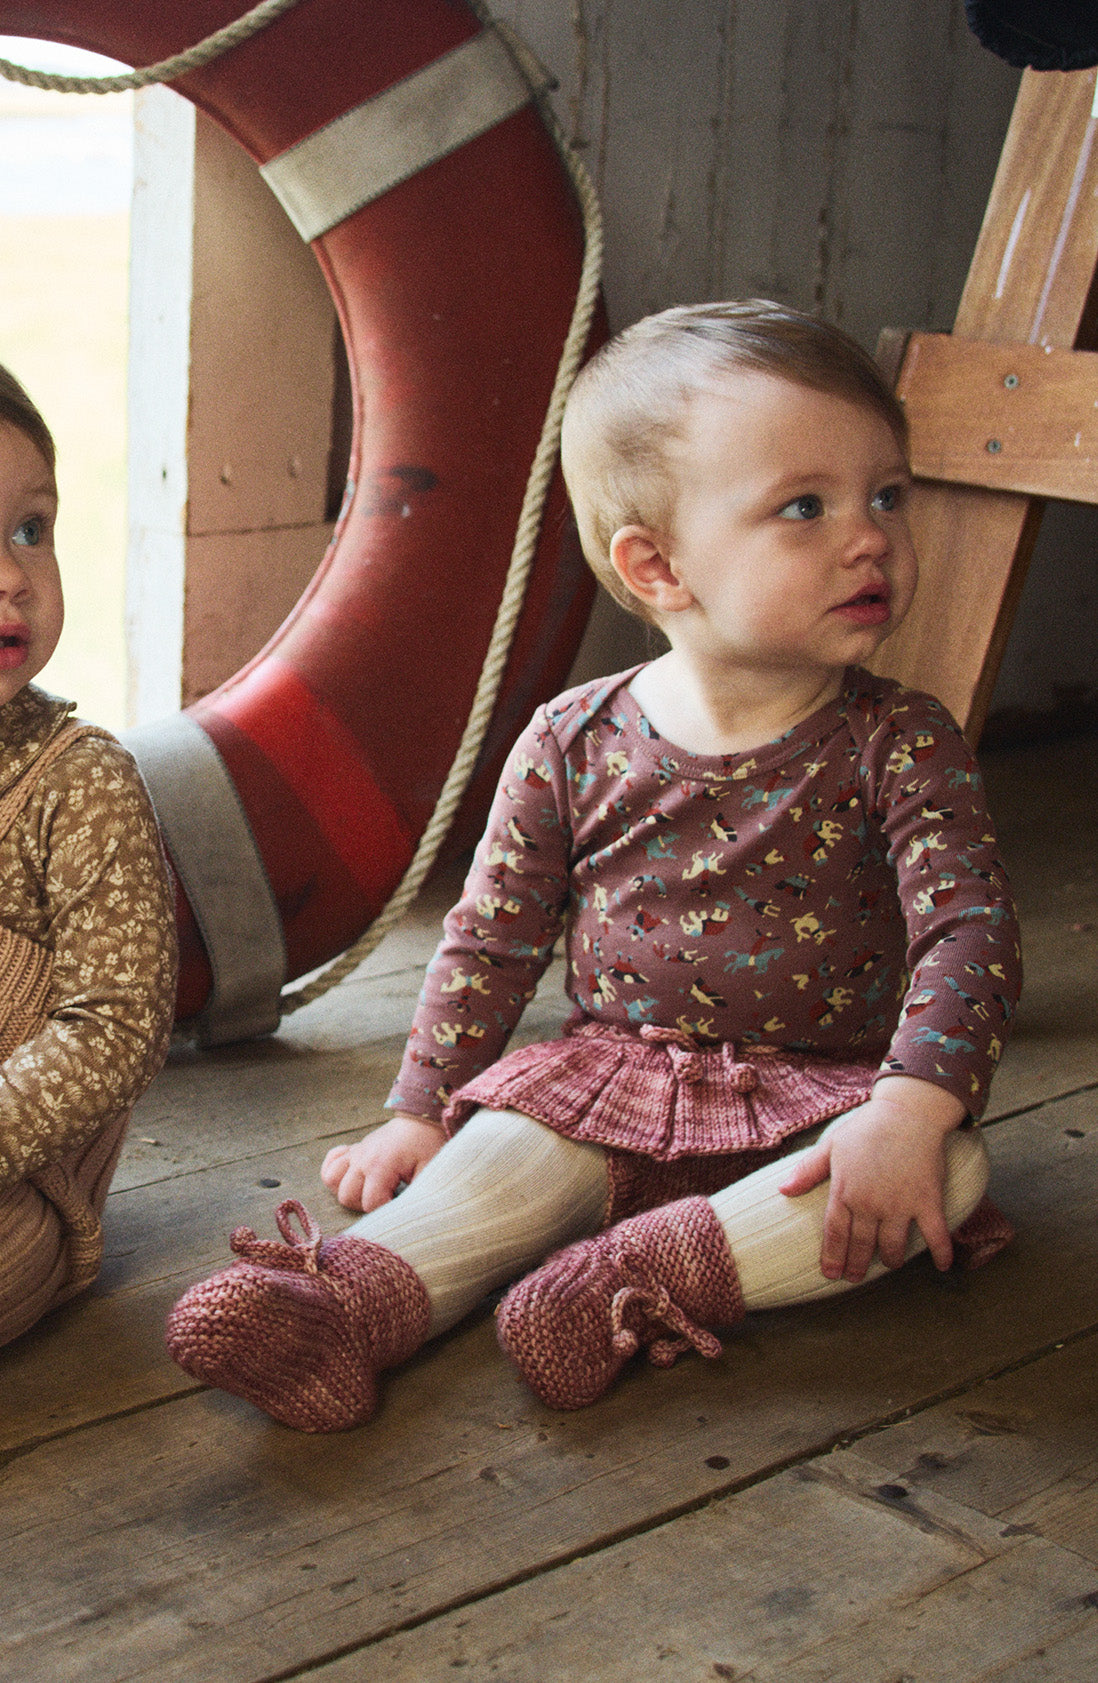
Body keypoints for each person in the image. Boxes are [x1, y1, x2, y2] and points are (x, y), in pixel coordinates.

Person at [167, 300, 1021, 1431]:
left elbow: (968, 931)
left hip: (824, 1097)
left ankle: (630, 1280)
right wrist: (423, 1109)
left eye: (888, 495)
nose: (870, 537)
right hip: (612, 1080)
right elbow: (494, 932)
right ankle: (352, 1305)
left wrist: (910, 1109)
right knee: (502, 1155)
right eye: (804, 508)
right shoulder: (575, 737)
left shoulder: (902, 741)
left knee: (946, 1174)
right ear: (657, 565)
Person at [0, 348, 176, 1359]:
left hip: (14, 1182)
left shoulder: (77, 781)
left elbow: (119, 1026)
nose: (7, 574)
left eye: (30, 529)